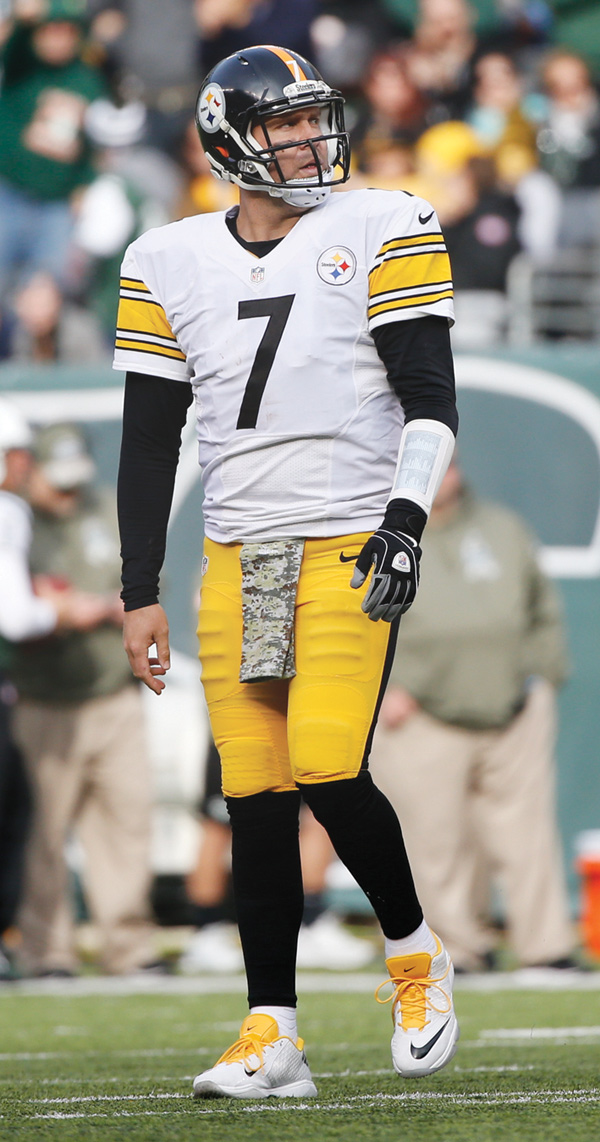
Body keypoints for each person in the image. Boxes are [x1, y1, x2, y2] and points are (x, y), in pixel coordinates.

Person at [114, 44, 459, 1099]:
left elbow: (431, 398)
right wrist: (139, 586)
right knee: (253, 794)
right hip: (243, 552)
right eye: (285, 125)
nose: (311, 140)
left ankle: (416, 955)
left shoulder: (383, 221)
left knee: (323, 760)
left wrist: (404, 520)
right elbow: (147, 440)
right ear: (225, 140)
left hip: (349, 535)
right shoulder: (167, 257)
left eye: (318, 120)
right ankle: (274, 1032)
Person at [369, 460, 576, 973]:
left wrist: (542, 675)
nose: (443, 476)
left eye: (449, 464)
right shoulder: (377, 536)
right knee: (433, 840)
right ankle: (457, 949)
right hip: (418, 712)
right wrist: (386, 687)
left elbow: (542, 608)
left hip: (513, 708)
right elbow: (356, 622)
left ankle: (545, 949)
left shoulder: (503, 528)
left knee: (527, 837)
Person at [10, 423, 161, 978]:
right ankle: (47, 951)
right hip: (44, 699)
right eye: (59, 482)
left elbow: (136, 587)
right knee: (43, 835)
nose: (69, 494)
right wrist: (79, 609)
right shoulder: (15, 523)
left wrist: (83, 604)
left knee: (126, 821)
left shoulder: (104, 510)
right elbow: (26, 610)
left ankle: (130, 946)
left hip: (113, 695)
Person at [0, 398, 104, 980]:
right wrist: (65, 609)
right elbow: (17, 618)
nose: (22, 465)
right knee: (13, 818)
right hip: (14, 684)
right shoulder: (9, 512)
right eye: (15, 454)